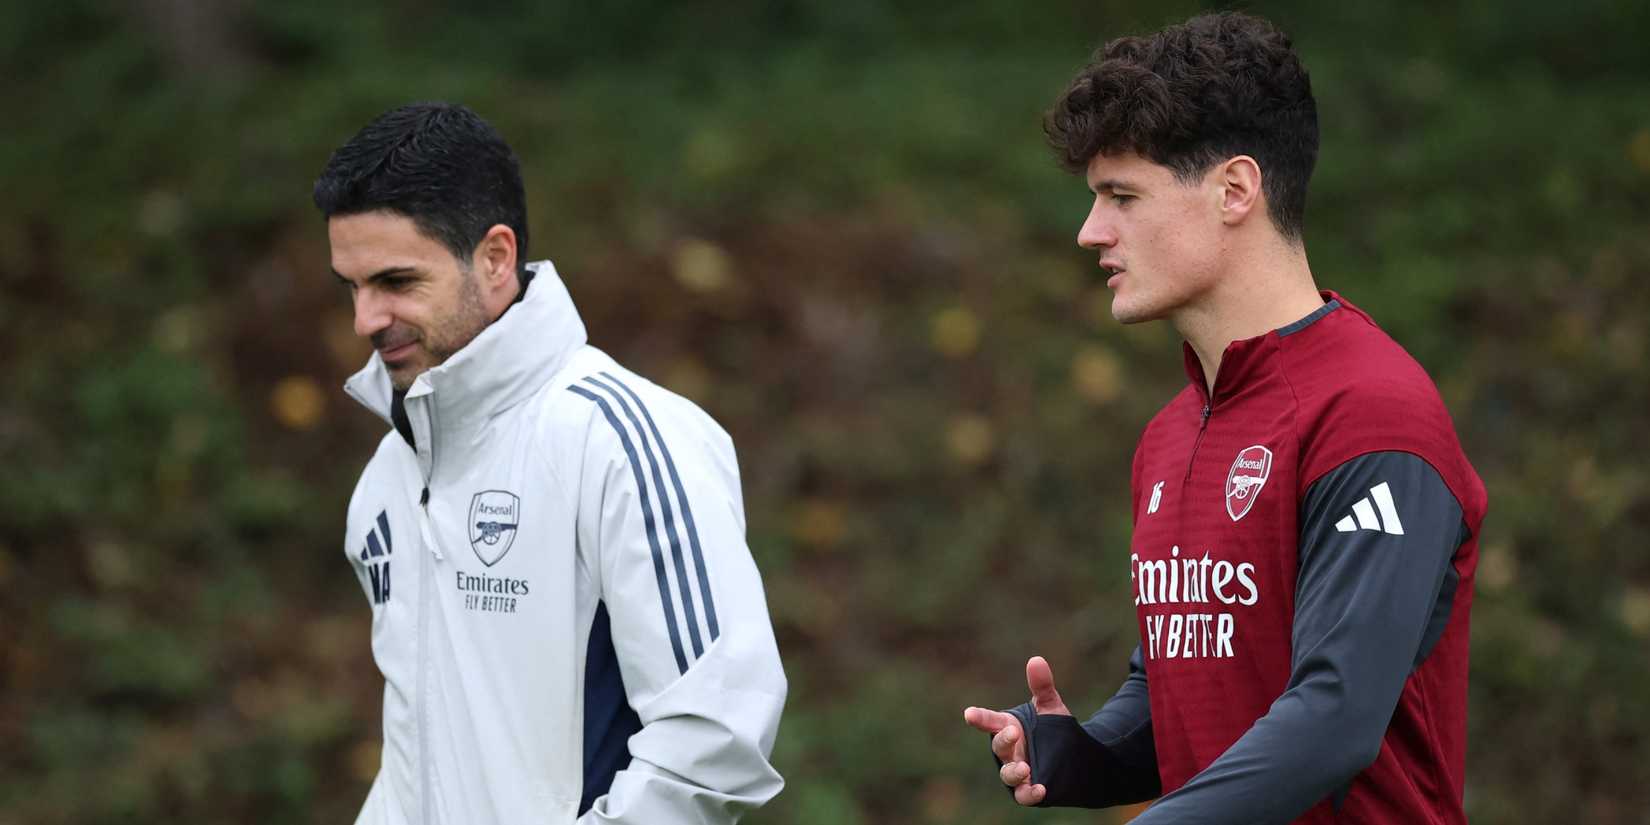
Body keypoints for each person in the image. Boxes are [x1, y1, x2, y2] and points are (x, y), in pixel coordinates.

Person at [962, 12, 1486, 824]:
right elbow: (1181, 688)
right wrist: (1085, 754)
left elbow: (1335, 716)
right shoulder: (1168, 436)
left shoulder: (1373, 415)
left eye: (1121, 196)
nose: (1090, 231)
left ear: (1235, 190)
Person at [314, 102, 786, 824]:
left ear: (495, 258)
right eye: (352, 287)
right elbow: (416, 761)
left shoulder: (624, 439)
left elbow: (715, 731)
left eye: (396, 282)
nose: (365, 320)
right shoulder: (389, 475)